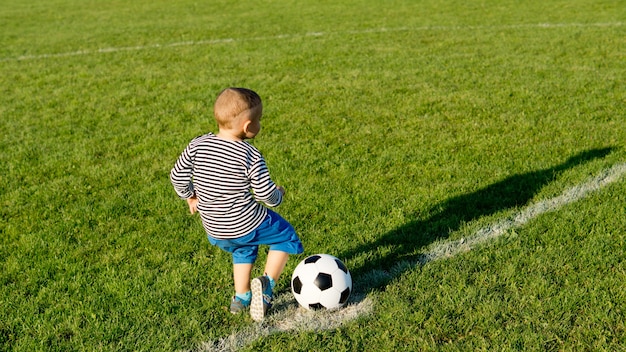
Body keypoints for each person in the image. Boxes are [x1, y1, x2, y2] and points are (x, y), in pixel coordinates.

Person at [170, 87, 304, 322]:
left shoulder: (198, 144)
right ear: (248, 126)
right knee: (285, 236)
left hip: (215, 228)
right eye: (259, 120)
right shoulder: (250, 155)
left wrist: (190, 196)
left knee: (243, 248)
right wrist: (279, 195)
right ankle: (266, 286)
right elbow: (265, 193)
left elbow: (177, 176)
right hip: (245, 222)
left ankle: (241, 297)